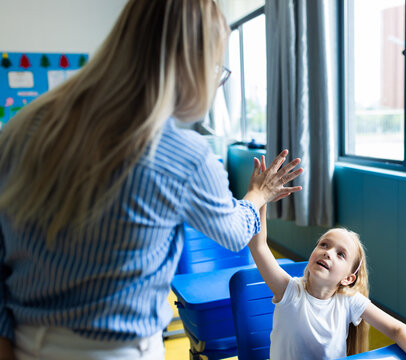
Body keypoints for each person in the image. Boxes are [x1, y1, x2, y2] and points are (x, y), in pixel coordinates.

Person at [0, 1, 302, 359]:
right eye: (217, 70)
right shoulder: (180, 152)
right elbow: (235, 233)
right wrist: (258, 194)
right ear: (191, 65)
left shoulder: (22, 127)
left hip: (24, 342)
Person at [248, 156, 406, 360]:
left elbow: (400, 331)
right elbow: (259, 245)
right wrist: (260, 197)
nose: (327, 252)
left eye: (340, 254)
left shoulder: (349, 302)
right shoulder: (289, 291)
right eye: (323, 244)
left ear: (348, 278)